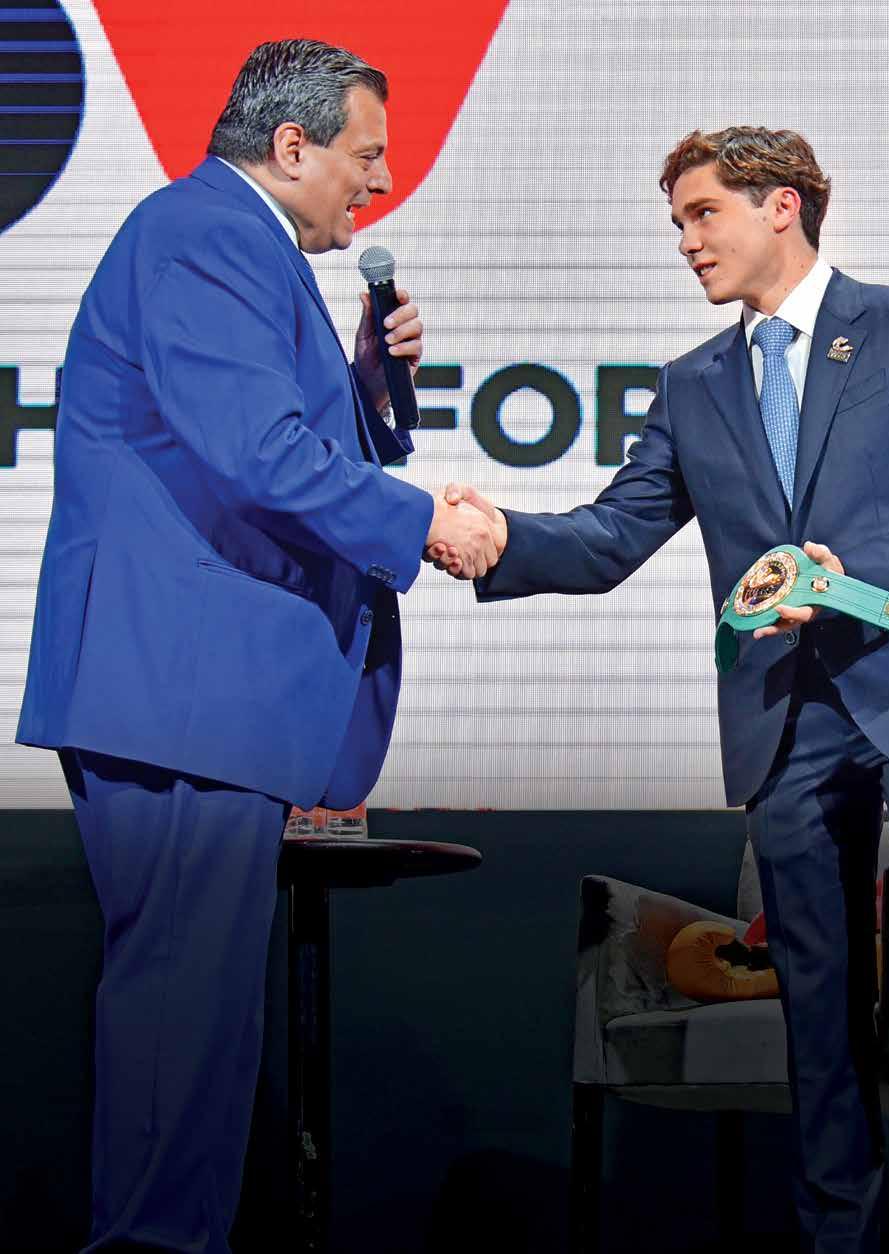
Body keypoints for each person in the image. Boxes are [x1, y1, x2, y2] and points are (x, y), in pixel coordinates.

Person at [430, 127, 889, 1253]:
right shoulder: (691, 385)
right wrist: (497, 537)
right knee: (818, 1008)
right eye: (677, 222)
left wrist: (843, 582)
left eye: (702, 213)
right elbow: (612, 536)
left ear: (781, 206)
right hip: (785, 720)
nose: (686, 241)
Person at [16, 38, 497, 1254]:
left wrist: (368, 389)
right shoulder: (208, 234)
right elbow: (256, 454)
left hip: (195, 691)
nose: (379, 182)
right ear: (291, 147)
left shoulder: (232, 243)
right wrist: (423, 523)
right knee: (182, 1020)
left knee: (197, 1025)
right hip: (182, 685)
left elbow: (241, 437)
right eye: (366, 155)